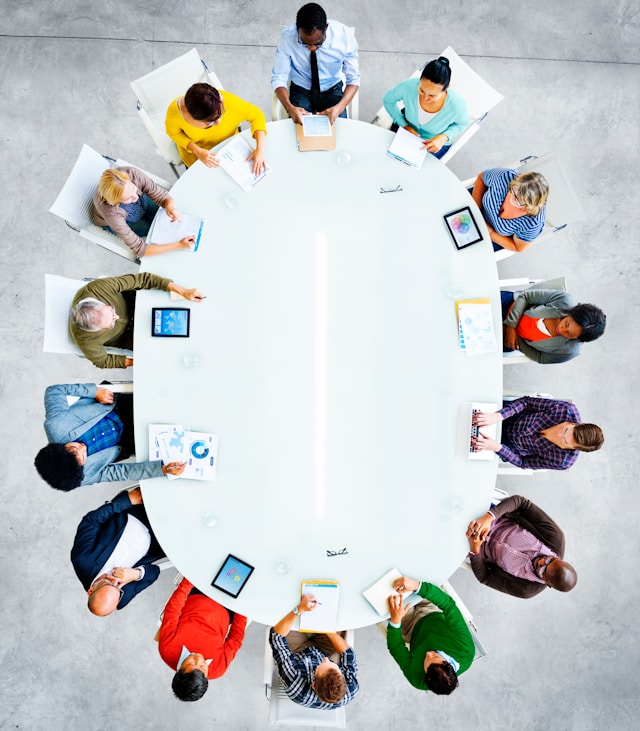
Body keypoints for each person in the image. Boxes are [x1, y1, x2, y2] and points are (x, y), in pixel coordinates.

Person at [34, 383, 185, 491]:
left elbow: (54, 391)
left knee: (173, 404)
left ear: (59, 448)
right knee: (180, 435)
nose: (82, 448)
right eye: (82, 457)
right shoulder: (82, 477)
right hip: (128, 441)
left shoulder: (56, 425)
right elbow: (121, 472)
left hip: (119, 407)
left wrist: (93, 391)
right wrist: (161, 469)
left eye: (74, 448)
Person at [69, 272, 203, 369]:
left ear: (101, 303)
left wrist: (183, 291)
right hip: (130, 338)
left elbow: (143, 279)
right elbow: (103, 361)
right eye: (111, 324)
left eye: (112, 311)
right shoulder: (84, 340)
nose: (117, 317)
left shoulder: (99, 288)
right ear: (97, 330)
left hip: (138, 304)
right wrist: (136, 361)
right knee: (171, 354)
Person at [70, 486, 165, 616]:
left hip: (135, 510)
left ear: (91, 590)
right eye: (118, 589)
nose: (116, 582)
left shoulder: (82, 559)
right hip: (160, 541)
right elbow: (154, 573)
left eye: (109, 583)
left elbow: (91, 521)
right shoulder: (121, 600)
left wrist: (128, 500)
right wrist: (137, 574)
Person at [466, 494, 576, 598]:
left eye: (543, 570)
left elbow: (486, 577)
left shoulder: (526, 589)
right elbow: (521, 503)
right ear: (557, 558)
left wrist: (474, 549)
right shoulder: (555, 537)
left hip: (469, 548)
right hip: (488, 515)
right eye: (549, 560)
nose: (542, 562)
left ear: (548, 584)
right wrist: (489, 517)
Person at [158, 577, 247, 702]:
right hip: (229, 606)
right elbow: (236, 637)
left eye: (191, 663)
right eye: (203, 667)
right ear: (206, 676)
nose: (199, 658)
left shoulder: (167, 650)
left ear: (179, 670)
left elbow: (173, 611)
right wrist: (242, 604)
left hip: (197, 591)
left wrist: (189, 579)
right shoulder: (218, 668)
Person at [271, 3, 360, 124]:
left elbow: (354, 79)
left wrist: (339, 108)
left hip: (332, 88)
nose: (312, 48)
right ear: (297, 29)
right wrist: (289, 108)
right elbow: (278, 78)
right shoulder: (287, 37)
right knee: (299, 132)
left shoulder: (344, 37)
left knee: (339, 130)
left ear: (326, 28)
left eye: (318, 43)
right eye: (304, 43)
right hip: (301, 89)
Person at [386, 575, 474, 695]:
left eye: (425, 662)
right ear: (448, 663)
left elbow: (396, 648)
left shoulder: (417, 679)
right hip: (432, 608)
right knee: (411, 573)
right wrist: (417, 586)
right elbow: (448, 606)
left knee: (387, 590)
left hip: (410, 628)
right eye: (435, 656)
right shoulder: (466, 649)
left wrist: (395, 623)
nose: (427, 654)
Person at [269, 593, 359, 708]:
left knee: (281, 614)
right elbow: (348, 654)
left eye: (322, 665)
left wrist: (299, 610)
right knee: (336, 619)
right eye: (332, 665)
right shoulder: (350, 688)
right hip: (322, 649)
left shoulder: (294, 681)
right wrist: (327, 628)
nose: (326, 659)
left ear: (313, 684)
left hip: (296, 652)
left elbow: (276, 636)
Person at [473, 396, 604, 470]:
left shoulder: (563, 461)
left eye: (564, 441)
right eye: (565, 430)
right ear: (574, 423)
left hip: (503, 447)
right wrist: (498, 416)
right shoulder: (566, 409)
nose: (559, 435)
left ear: (572, 449)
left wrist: (496, 447)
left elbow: (523, 463)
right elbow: (526, 402)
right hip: (506, 414)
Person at [92, 167, 196, 258]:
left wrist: (171, 207)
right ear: (116, 202)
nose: (136, 196)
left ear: (128, 178)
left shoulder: (133, 173)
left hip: (140, 205)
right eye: (129, 198)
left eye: (133, 188)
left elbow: (162, 196)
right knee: (151, 230)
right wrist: (178, 245)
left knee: (164, 219)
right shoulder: (111, 213)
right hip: (120, 219)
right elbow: (140, 249)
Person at [165, 81, 267, 171]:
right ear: (193, 118)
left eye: (221, 113)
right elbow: (174, 133)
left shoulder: (228, 101)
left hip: (231, 147)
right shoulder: (175, 113)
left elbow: (256, 115)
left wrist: (260, 148)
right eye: (210, 122)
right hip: (197, 159)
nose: (219, 122)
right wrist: (197, 150)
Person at [382, 56, 469, 159]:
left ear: (447, 88)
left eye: (432, 95)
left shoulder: (457, 105)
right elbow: (388, 100)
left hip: (434, 144)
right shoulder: (409, 86)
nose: (425, 98)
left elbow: (462, 124)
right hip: (404, 128)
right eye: (422, 90)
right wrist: (403, 124)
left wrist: (443, 137)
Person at [501, 287, 606, 364]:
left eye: (569, 334)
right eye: (567, 323)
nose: (562, 329)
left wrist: (515, 340)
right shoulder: (563, 299)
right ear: (572, 312)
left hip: (509, 340)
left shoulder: (569, 351)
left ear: (578, 339)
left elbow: (540, 357)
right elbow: (525, 297)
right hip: (508, 306)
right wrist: (511, 326)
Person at [471, 167, 549, 252]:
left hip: (492, 236)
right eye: (513, 189)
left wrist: (490, 232)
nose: (512, 196)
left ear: (530, 206)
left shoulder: (534, 222)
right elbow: (481, 178)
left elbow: (518, 247)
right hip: (474, 206)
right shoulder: (505, 176)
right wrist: (475, 210)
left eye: (518, 200)